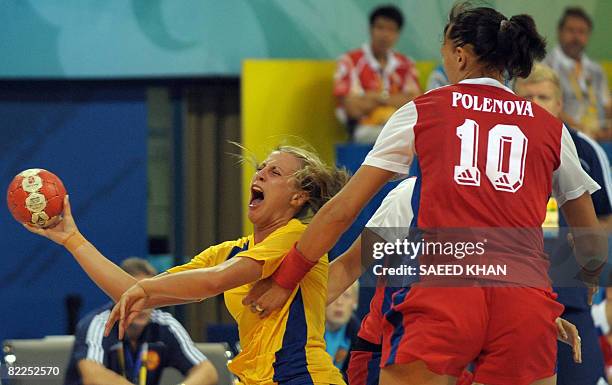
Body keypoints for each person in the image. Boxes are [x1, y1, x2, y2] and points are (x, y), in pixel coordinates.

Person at [244, 4, 607, 385]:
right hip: (522, 297)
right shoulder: (550, 127)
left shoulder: (424, 111)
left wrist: (285, 280)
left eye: (444, 48)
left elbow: (342, 209)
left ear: (461, 55)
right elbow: (590, 237)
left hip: (446, 289)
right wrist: (591, 272)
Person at [26, 146, 349, 385]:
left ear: (298, 198)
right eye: (261, 168)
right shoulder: (231, 250)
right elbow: (134, 293)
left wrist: (146, 287)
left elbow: (215, 281)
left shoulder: (295, 235)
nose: (260, 173)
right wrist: (73, 240)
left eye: (275, 172)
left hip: (303, 377)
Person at [327, 177, 582, 385]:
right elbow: (349, 267)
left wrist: (539, 317)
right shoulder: (410, 195)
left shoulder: (503, 205)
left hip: (457, 355)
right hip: (387, 352)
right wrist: (293, 318)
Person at [515, 63, 612, 385]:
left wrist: (587, 254)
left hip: (569, 293)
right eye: (527, 97)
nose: (535, 105)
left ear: (559, 103)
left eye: (543, 97)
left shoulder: (585, 149)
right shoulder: (503, 142)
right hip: (510, 290)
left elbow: (605, 218)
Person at [63, 257, 217, 385]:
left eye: (148, 297)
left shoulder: (165, 324)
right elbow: (94, 376)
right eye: (136, 297)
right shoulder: (99, 323)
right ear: (118, 295)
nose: (143, 305)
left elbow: (206, 371)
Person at [333, 4, 421, 143]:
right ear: (371, 29)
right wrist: (395, 99)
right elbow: (352, 109)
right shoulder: (350, 61)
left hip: (399, 127)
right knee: (398, 137)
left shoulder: (406, 64)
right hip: (364, 130)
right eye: (380, 28)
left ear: (398, 34)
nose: (385, 35)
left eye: (391, 30)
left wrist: (377, 97)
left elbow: (415, 103)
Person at [544, 7, 611, 139]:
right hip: (566, 137)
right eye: (571, 30)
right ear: (559, 32)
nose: (576, 37)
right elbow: (549, 108)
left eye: (581, 32)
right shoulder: (547, 67)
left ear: (588, 35)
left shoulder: (596, 70)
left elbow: (607, 105)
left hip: (600, 137)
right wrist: (582, 131)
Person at [324, 281, 360, 375]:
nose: (339, 302)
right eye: (333, 295)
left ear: (355, 302)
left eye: (346, 295)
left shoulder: (360, 338)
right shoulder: (304, 332)